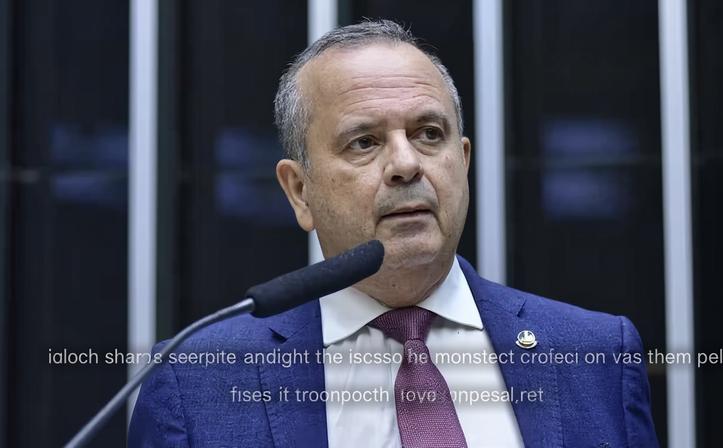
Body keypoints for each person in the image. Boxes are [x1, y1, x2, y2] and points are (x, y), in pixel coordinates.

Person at [129, 20, 658, 447]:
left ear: (463, 161)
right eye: (364, 142)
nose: (407, 164)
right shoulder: (196, 383)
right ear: (298, 191)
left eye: (430, 134)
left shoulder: (597, 356)